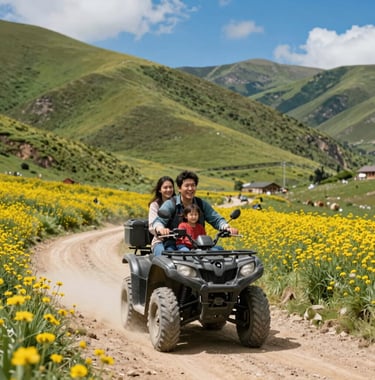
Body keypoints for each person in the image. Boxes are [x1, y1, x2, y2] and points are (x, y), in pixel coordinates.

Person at [153, 170, 238, 251]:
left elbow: (215, 218)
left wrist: (226, 227)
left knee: (219, 252)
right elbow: (159, 221)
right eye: (186, 186)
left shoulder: (201, 204)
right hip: (174, 244)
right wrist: (161, 229)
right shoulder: (171, 204)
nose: (190, 189)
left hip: (199, 245)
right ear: (179, 188)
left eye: (193, 185)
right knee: (167, 257)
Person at [148, 176, 176, 256]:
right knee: (163, 257)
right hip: (160, 240)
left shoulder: (178, 203)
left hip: (178, 241)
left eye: (170, 187)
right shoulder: (155, 205)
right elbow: (152, 225)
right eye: (165, 187)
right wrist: (161, 230)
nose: (168, 190)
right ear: (160, 190)